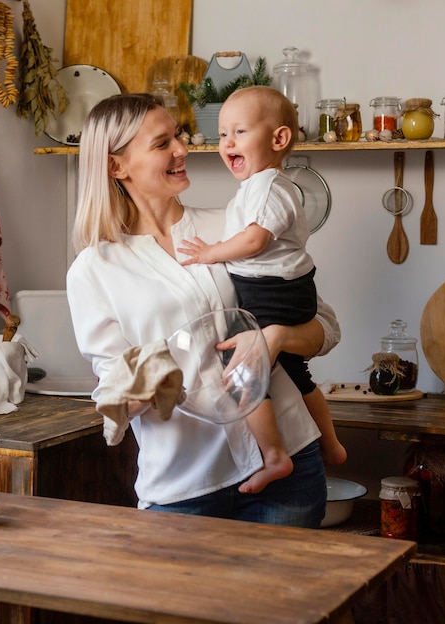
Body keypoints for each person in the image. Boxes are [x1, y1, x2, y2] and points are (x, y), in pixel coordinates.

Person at [67, 92, 341, 528]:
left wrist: (275, 339)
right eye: (162, 144)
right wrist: (145, 390)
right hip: (185, 487)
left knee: (289, 599)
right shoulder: (94, 270)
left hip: (289, 464)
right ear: (116, 166)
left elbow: (324, 325)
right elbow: (113, 386)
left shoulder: (234, 226)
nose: (182, 149)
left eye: (178, 136)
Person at [178, 86, 347, 494]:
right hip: (282, 289)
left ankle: (274, 456)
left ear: (279, 139)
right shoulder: (259, 186)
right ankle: (332, 445)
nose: (227, 143)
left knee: (244, 375)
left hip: (272, 293)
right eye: (222, 135)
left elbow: (254, 242)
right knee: (294, 372)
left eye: (239, 132)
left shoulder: (269, 186)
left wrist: (212, 253)